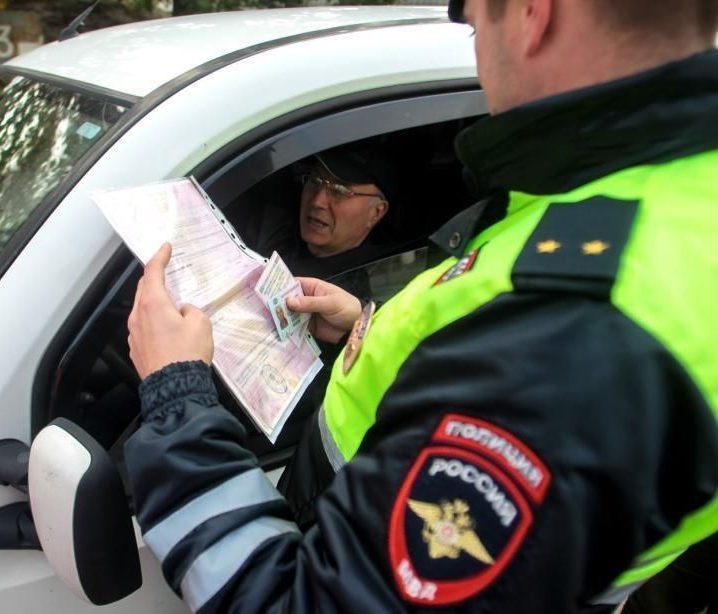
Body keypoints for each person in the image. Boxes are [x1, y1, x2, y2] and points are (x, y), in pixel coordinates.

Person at [123, 0, 718, 611]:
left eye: (474, 23)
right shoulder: (661, 197)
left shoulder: (580, 320)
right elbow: (485, 333)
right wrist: (363, 329)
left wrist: (176, 395)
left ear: (532, 13)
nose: (477, 54)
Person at [246, 142, 396, 285]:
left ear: (376, 213)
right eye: (315, 180)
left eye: (339, 190)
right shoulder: (277, 222)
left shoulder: (346, 292)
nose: (317, 201)